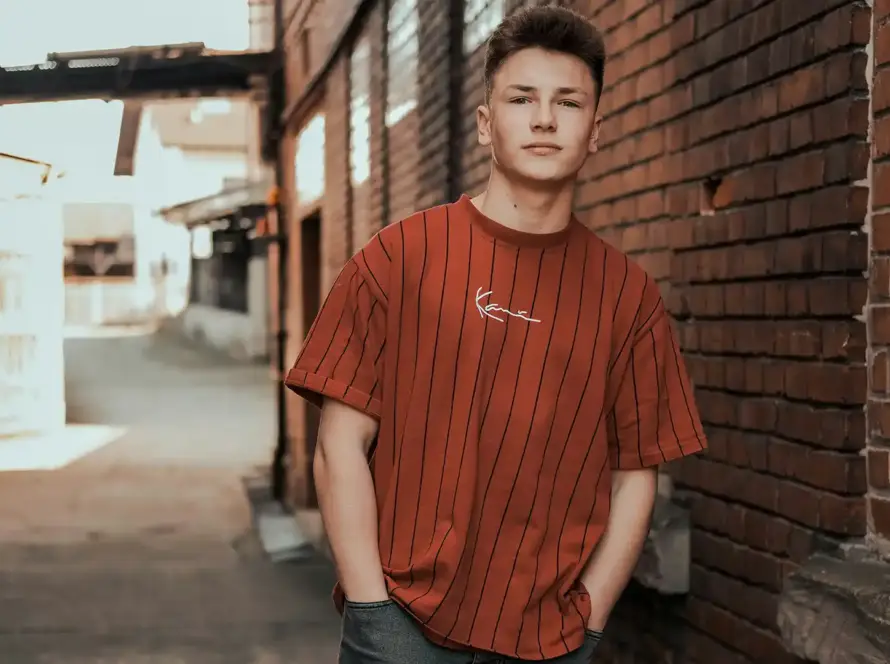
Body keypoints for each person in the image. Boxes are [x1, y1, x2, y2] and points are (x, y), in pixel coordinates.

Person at [285, 5, 707, 663]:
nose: (544, 118)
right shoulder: (399, 258)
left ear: (595, 131)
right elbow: (339, 445)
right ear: (486, 124)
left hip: (548, 642)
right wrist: (372, 608)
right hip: (401, 628)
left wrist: (589, 622)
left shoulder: (628, 298)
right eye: (521, 98)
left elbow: (635, 477)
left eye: (568, 102)